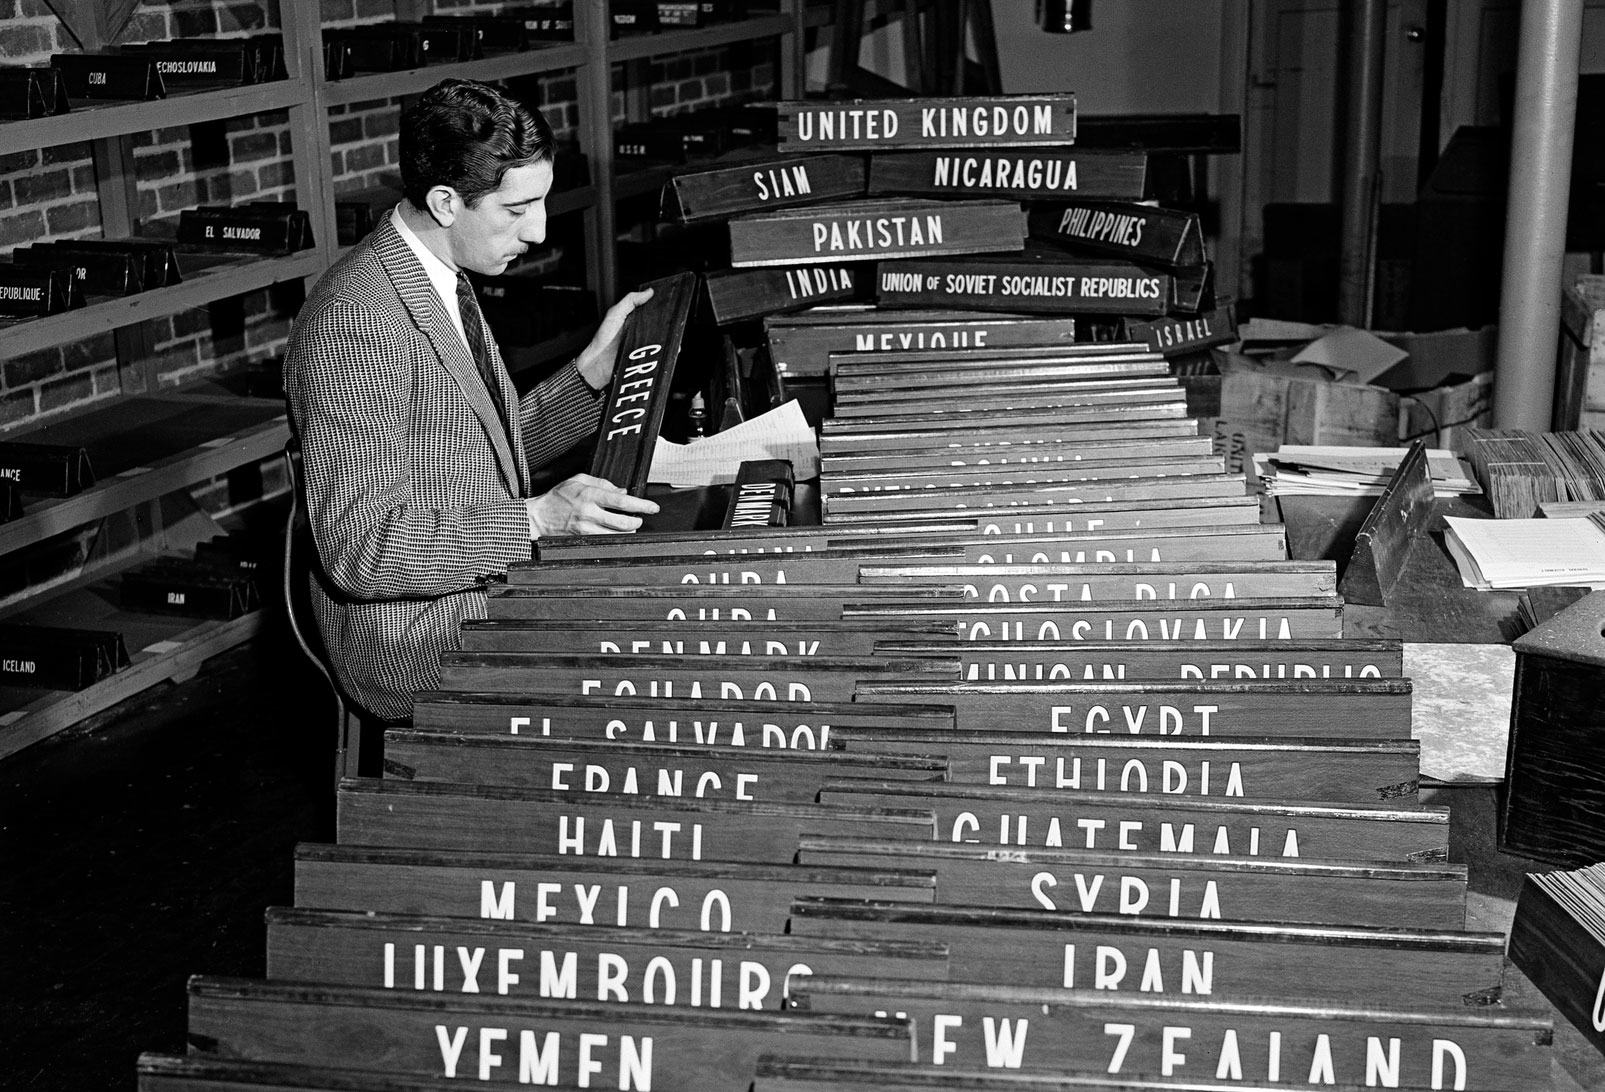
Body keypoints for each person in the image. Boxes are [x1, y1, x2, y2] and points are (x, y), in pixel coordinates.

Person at [284, 78, 659, 721]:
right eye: (517, 210)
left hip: (473, 583)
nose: (539, 231)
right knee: (659, 646)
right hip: (414, 637)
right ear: (446, 201)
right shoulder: (357, 321)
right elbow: (358, 549)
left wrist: (591, 375)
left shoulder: (437, 269)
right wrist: (536, 520)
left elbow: (489, 452)